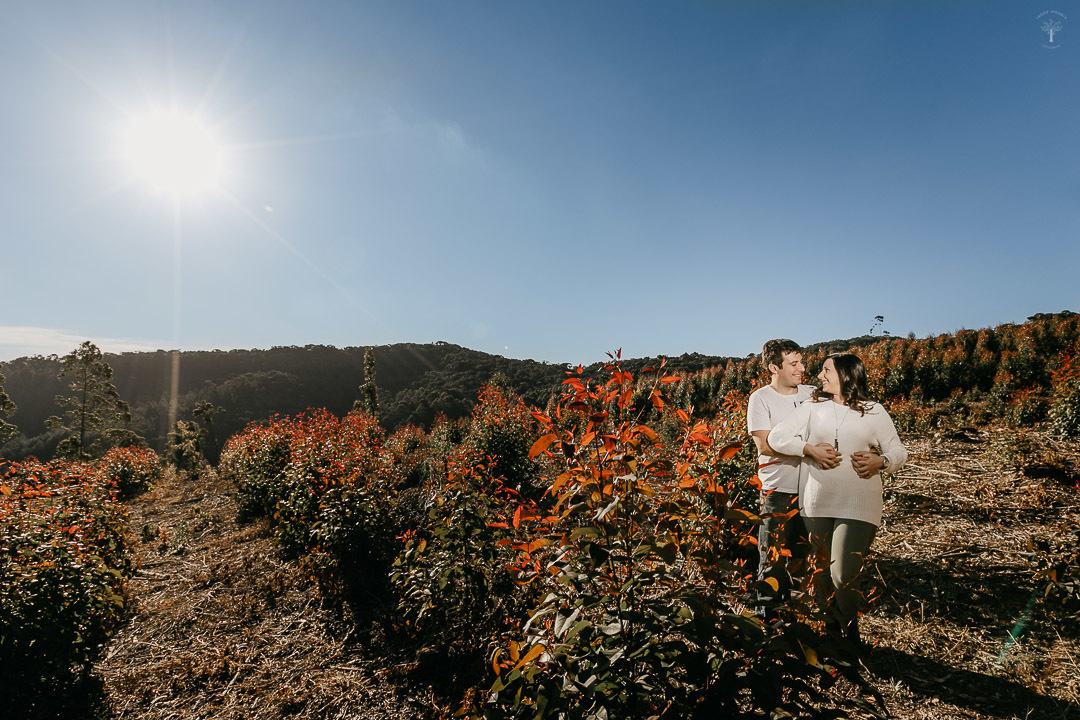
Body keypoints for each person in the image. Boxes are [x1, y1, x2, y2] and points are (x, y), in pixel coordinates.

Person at [767, 352, 907, 648]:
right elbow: (777, 437)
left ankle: (851, 634)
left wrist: (880, 461)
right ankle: (831, 638)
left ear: (845, 375)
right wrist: (809, 449)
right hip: (816, 502)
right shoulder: (811, 408)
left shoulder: (874, 411)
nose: (819, 375)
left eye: (826, 370)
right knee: (820, 577)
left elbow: (899, 451)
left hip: (859, 503)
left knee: (843, 573)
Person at [746, 339, 815, 613]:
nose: (802, 368)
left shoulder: (813, 393)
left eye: (801, 362)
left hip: (814, 489)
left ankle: (796, 617)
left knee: (803, 557)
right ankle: (766, 621)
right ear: (774, 367)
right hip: (779, 492)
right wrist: (809, 449)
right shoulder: (761, 399)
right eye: (794, 364)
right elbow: (764, 444)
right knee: (772, 559)